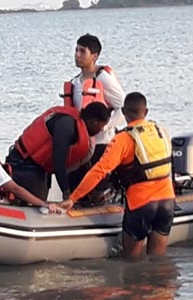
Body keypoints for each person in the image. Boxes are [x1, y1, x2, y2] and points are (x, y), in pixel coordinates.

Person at [59, 92, 175, 259]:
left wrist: (73, 198)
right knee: (158, 260)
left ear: (124, 112)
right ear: (146, 111)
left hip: (141, 204)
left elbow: (100, 171)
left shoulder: (123, 139)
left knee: (131, 262)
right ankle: (161, 284)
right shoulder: (161, 131)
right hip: (167, 202)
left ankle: (133, 284)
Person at [5, 102, 110, 201]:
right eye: (102, 125)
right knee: (36, 201)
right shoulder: (66, 125)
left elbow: (83, 164)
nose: (101, 130)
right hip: (23, 164)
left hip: (39, 169)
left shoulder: (80, 128)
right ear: (94, 122)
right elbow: (58, 162)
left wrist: (91, 189)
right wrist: (68, 195)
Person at [61, 34, 126, 194]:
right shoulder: (75, 82)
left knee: (96, 184)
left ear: (94, 56)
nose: (77, 55)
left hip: (101, 143)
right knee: (75, 180)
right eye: (76, 50)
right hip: (81, 143)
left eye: (82, 51)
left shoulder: (103, 78)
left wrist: (104, 127)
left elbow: (124, 106)